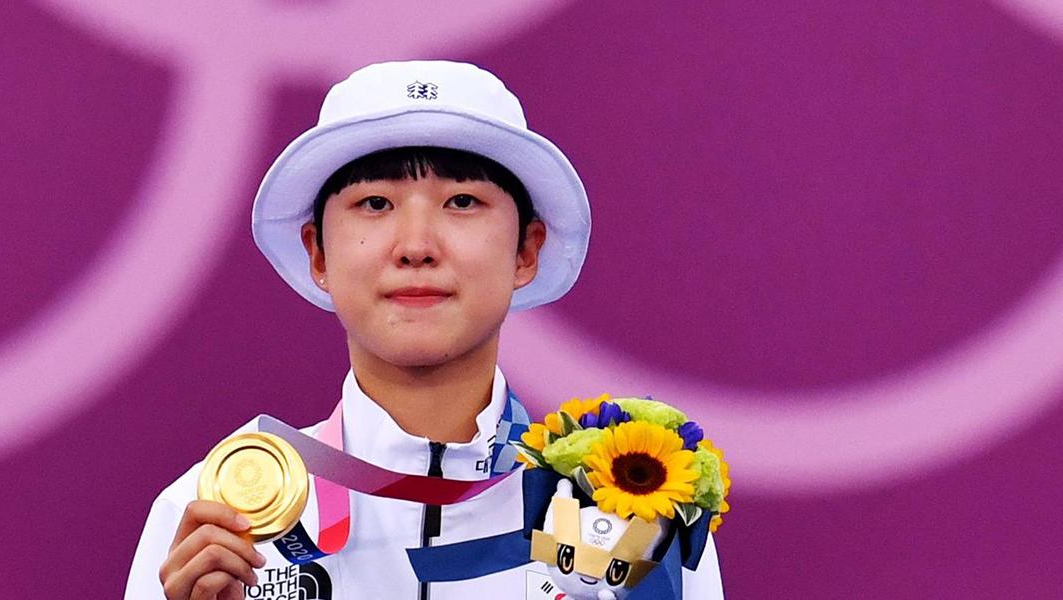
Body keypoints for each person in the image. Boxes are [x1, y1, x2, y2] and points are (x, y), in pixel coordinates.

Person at [125, 59, 724, 600]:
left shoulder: (629, 515)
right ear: (319, 254)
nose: (416, 247)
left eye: (461, 202)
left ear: (526, 249)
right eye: (376, 204)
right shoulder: (215, 517)